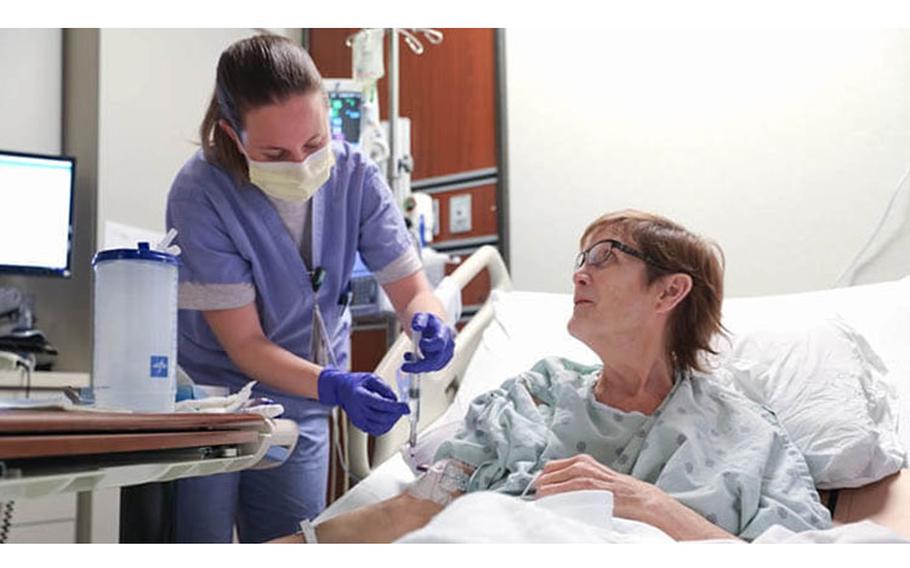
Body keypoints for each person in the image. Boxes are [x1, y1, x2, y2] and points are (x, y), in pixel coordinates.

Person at [272, 209, 833, 543]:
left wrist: (650, 505)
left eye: (604, 256)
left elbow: (803, 555)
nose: (578, 273)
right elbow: (417, 510)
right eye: (580, 257)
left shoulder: (746, 435)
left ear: (670, 290)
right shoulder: (533, 398)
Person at [164, 34, 455, 543]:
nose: (300, 163)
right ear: (233, 135)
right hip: (210, 405)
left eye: (315, 143)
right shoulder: (200, 193)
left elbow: (413, 292)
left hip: (302, 402)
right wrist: (335, 385)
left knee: (293, 540)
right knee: (197, 540)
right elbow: (245, 346)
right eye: (276, 151)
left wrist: (429, 319)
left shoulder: (355, 178)